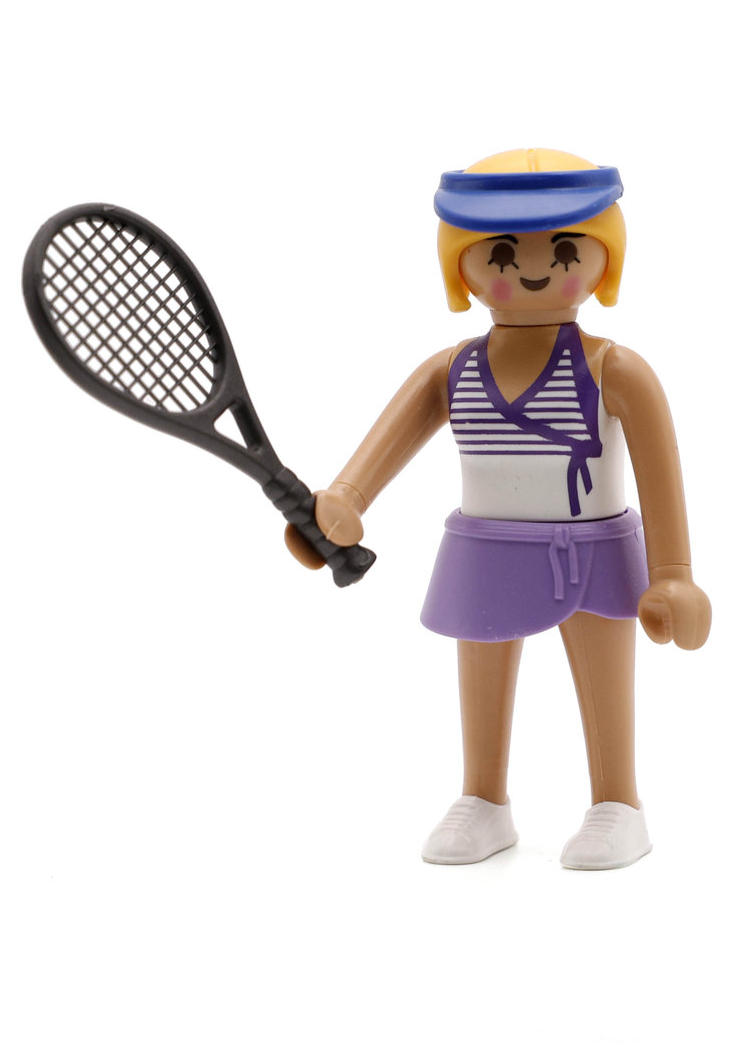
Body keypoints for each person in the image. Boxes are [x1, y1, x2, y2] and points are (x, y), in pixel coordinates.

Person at [285, 148, 711, 870]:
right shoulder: (454, 370)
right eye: (503, 252)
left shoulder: (613, 369)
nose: (535, 268)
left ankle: (617, 803)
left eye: (566, 249)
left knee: (606, 678)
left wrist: (675, 574)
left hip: (590, 548)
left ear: (606, 256)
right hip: (485, 547)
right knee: (481, 671)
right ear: (462, 265)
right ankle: (483, 800)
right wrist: (342, 505)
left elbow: (658, 470)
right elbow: (373, 459)